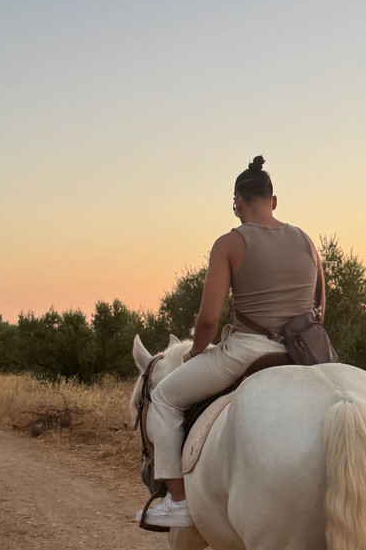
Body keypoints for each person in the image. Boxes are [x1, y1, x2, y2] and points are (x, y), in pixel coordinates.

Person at [137, 156, 326, 528]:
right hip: (304, 353)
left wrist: (194, 353)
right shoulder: (307, 242)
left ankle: (178, 502)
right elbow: (319, 307)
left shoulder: (230, 243)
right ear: (274, 201)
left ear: (237, 202)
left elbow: (208, 319)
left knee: (163, 398)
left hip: (248, 350)